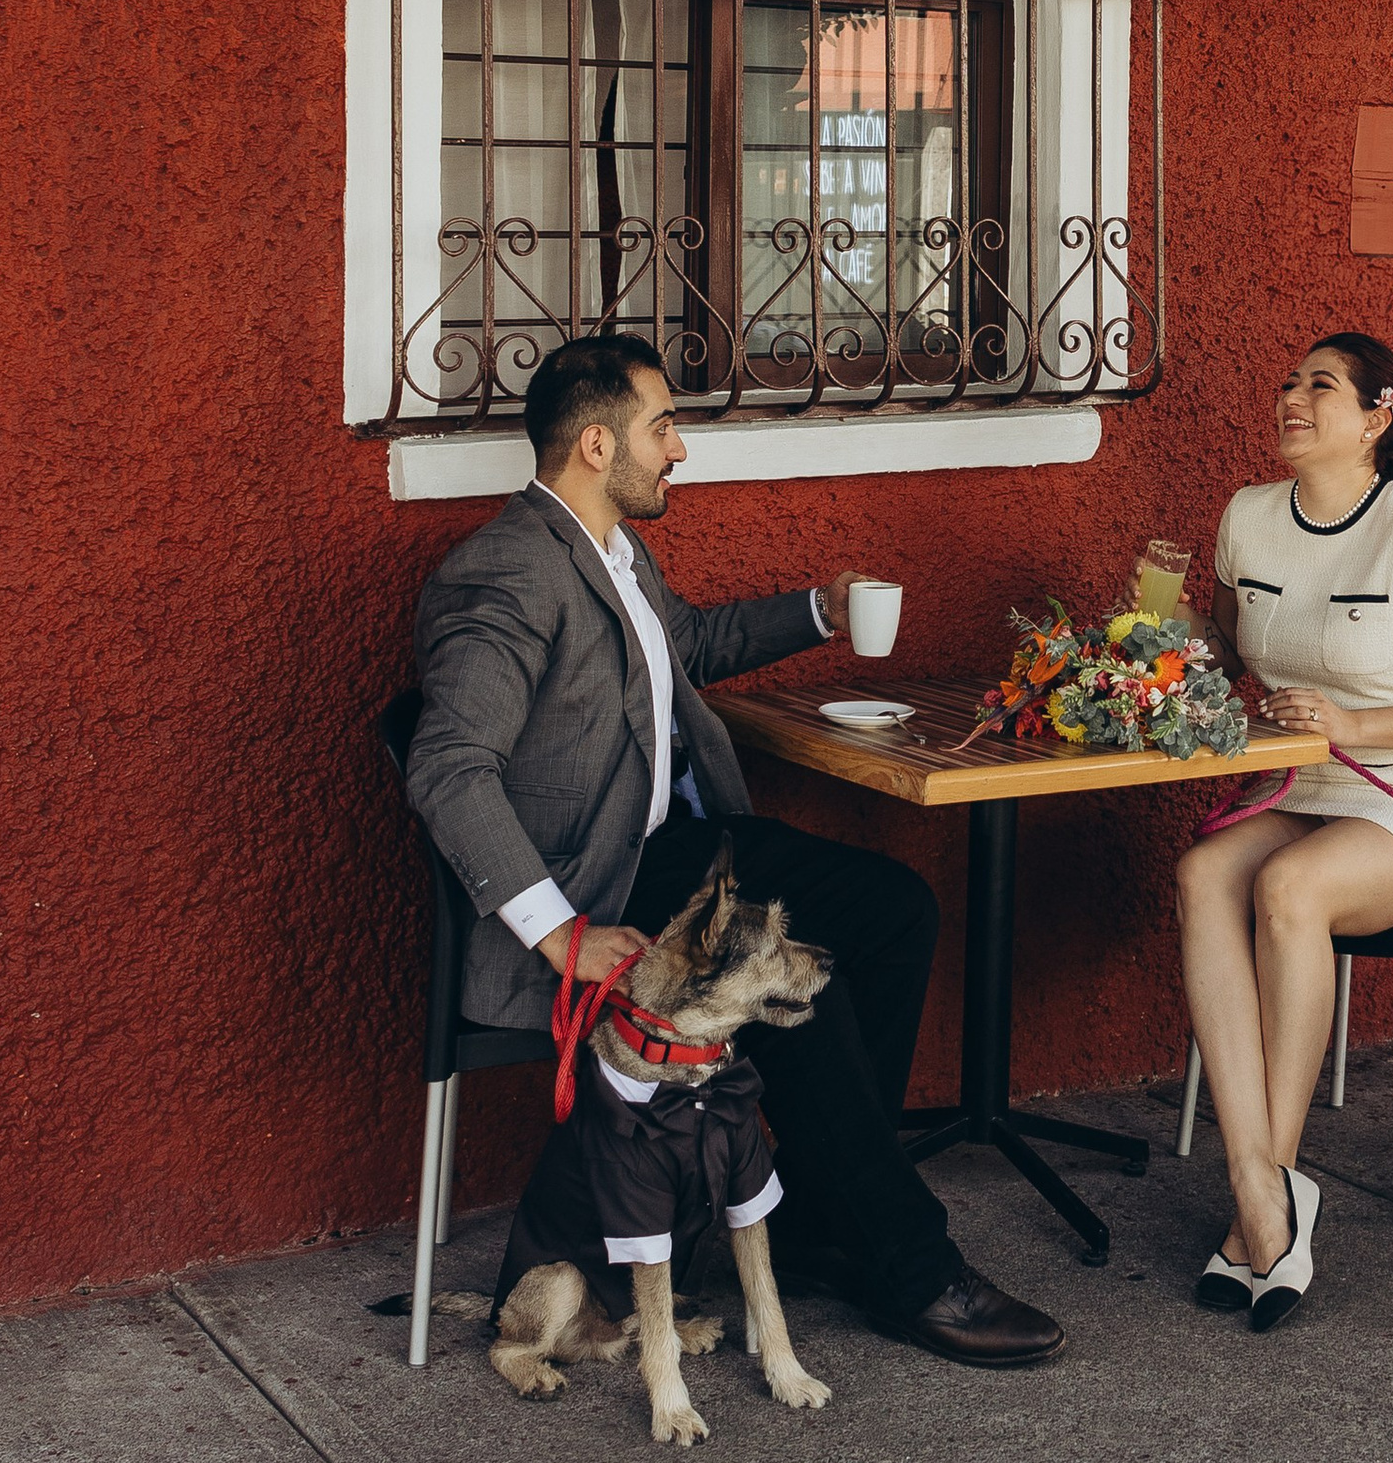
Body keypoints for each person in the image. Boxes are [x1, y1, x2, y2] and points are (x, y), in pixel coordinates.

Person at [407, 331, 1063, 1367]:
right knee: (791, 984)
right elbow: (448, 767)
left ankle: (818, 1218)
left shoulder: (615, 549)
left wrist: (820, 611)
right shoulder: (506, 574)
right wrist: (560, 932)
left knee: (896, 909)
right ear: (595, 444)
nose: (680, 449)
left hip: (678, 852)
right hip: (601, 885)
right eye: (663, 427)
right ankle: (909, 1264)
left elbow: (686, 646)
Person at [1173, 332, 1393, 1327]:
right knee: (1202, 875)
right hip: (1308, 790)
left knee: (1289, 889)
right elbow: (1225, 648)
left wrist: (1353, 724)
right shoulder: (1247, 516)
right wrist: (1153, 638)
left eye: (1320, 385)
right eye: (1288, 380)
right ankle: (1263, 1186)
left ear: (1377, 418)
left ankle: (1261, 1198)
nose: (1292, 395)